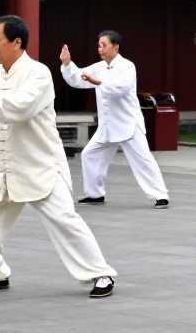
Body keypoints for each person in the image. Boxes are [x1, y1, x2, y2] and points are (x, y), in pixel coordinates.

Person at [0, 16, 117, 298]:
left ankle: (101, 274)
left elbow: (21, 107)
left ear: (17, 42)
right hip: (7, 168)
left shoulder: (38, 74)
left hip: (42, 166)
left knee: (64, 219)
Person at [60, 31, 170, 209]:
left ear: (115, 46)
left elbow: (121, 88)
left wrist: (98, 83)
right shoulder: (98, 67)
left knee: (143, 160)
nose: (100, 49)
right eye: (98, 45)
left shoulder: (127, 66)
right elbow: (78, 78)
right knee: (90, 154)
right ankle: (94, 194)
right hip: (107, 125)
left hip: (128, 123)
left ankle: (160, 195)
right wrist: (67, 64)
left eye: (104, 45)